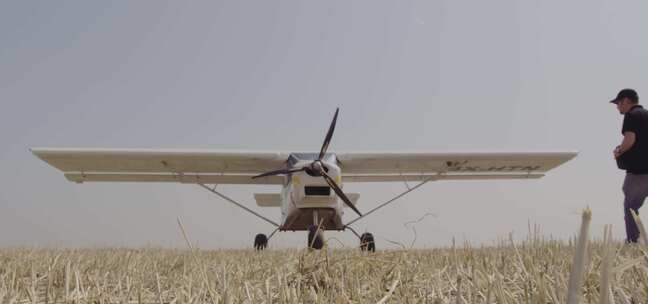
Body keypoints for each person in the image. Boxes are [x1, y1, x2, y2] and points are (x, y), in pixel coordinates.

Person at [611, 88, 648, 243]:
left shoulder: (631, 115)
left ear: (626, 101)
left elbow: (630, 139)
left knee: (631, 208)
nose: (617, 107)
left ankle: (634, 242)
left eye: (618, 103)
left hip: (638, 171)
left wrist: (619, 150)